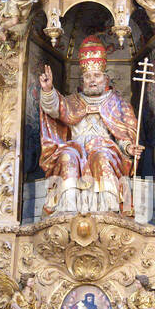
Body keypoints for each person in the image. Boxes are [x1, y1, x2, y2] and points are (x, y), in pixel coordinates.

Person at [38, 37, 139, 216]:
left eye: (97, 76)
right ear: (82, 80)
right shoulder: (73, 101)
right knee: (67, 157)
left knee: (101, 156)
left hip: (105, 149)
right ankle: (67, 207)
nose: (92, 80)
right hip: (75, 148)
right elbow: (54, 109)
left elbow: (123, 136)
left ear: (105, 78)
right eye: (87, 76)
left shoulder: (117, 104)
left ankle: (109, 209)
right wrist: (48, 90)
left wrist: (129, 148)